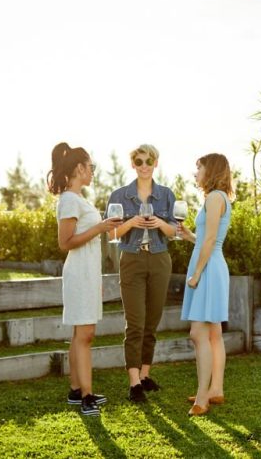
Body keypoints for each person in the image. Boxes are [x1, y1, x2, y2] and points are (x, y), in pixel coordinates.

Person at [48, 142, 122, 416]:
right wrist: (101, 227)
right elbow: (65, 242)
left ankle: (76, 390)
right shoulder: (69, 200)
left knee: (81, 333)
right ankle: (87, 397)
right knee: (85, 334)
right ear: (79, 168)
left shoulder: (78, 199)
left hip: (87, 272)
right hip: (78, 272)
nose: (93, 172)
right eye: (91, 167)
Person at [107, 144, 177, 403]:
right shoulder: (120, 195)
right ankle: (134, 383)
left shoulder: (167, 195)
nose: (144, 165)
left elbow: (176, 232)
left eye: (149, 161)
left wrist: (160, 223)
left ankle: (146, 375)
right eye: (139, 161)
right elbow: (110, 233)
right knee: (135, 323)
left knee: (152, 321)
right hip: (132, 260)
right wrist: (130, 223)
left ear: (156, 163)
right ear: (133, 164)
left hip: (159, 259)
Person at [179, 153, 234, 416]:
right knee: (213, 334)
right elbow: (205, 239)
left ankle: (202, 398)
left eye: (198, 167)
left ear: (209, 170)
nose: (195, 172)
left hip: (209, 269)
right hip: (212, 265)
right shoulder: (219, 198)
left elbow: (211, 241)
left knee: (198, 333)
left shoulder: (214, 197)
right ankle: (216, 389)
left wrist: (197, 273)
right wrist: (190, 236)